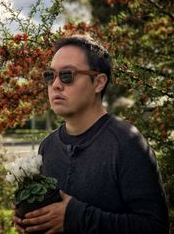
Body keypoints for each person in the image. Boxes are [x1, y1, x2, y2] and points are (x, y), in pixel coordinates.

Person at [13, 35, 169, 234]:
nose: (56, 85)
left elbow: (155, 227)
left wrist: (76, 218)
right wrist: (31, 219)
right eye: (50, 75)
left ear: (98, 82)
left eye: (67, 75)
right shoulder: (48, 146)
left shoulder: (127, 143)